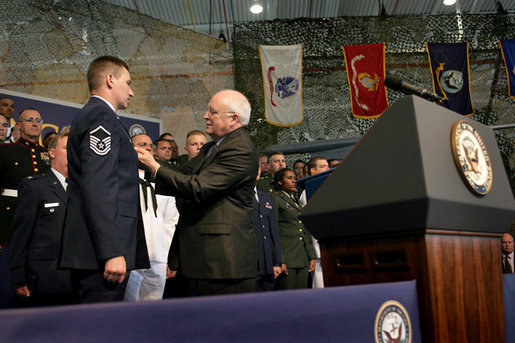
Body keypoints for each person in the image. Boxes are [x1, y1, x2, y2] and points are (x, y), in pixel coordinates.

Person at [136, 89, 259, 296]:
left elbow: (198, 187)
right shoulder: (212, 147)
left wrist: (155, 167)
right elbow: (184, 172)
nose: (205, 116)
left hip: (223, 262)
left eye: (212, 111)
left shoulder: (239, 148)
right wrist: (146, 161)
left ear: (233, 118)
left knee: (222, 323)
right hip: (204, 257)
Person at [59, 56, 149, 303]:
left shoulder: (99, 117)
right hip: (101, 255)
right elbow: (100, 186)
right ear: (110, 79)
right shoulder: (101, 117)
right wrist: (112, 252)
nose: (131, 91)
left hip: (95, 251)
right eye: (128, 82)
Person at [9, 128, 76, 307]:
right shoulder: (35, 187)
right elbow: (21, 234)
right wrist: (18, 276)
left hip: (78, 278)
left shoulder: (83, 189)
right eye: (68, 147)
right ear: (52, 152)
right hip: (45, 278)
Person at [0, 107, 49, 308]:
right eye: (29, 120)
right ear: (18, 125)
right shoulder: (5, 151)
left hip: (42, 223)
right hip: (8, 222)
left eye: (38, 119)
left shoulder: (48, 154)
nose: (35, 123)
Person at [124, 134, 179, 301]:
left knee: (153, 312)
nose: (148, 148)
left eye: (150, 146)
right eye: (142, 144)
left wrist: (168, 257)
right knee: (129, 312)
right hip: (132, 257)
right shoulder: (123, 180)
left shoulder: (163, 181)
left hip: (159, 258)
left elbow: (171, 222)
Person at [271, 168, 315, 290]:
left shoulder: (296, 200)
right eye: (289, 178)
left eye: (294, 178)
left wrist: (310, 256)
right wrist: (280, 260)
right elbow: (273, 230)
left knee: (302, 296)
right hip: (288, 257)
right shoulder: (276, 199)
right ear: (280, 182)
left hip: (302, 257)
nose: (294, 181)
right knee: (288, 298)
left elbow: (303, 229)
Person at [300, 156, 330, 289]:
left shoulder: (331, 188)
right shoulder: (307, 193)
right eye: (323, 166)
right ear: (313, 170)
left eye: (327, 166)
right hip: (319, 250)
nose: (327, 169)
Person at [253, 166, 282, 291]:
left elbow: (273, 231)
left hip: (269, 264)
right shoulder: (238, 198)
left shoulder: (265, 196)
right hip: (251, 264)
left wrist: (277, 262)